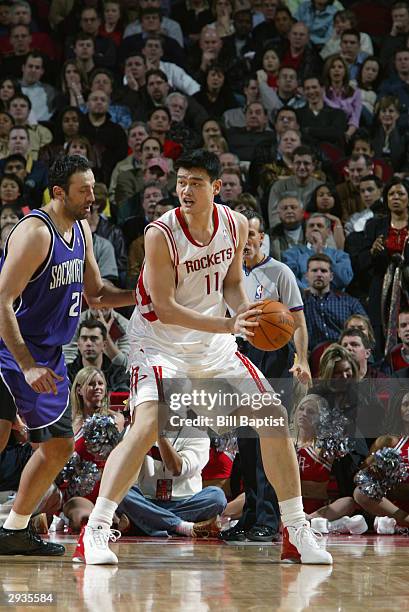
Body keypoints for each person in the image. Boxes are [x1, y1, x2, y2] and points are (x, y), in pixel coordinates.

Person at [74, 149, 332, 565]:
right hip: (159, 342)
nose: (185, 190)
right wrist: (229, 326)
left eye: (195, 182)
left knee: (272, 416)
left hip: (213, 345)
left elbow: (231, 284)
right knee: (145, 428)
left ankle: (295, 530)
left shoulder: (235, 223)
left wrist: (245, 311)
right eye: (180, 181)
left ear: (216, 187)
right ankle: (96, 531)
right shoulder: (161, 234)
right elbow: (166, 305)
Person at [0, 155, 135, 556]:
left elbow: (96, 294)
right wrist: (26, 366)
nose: (94, 196)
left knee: (58, 448)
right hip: (11, 349)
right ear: (59, 192)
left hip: (49, 352)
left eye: (94, 187)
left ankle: (14, 530)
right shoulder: (36, 234)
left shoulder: (81, 230)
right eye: (84, 190)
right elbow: (3, 301)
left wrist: (143, 295)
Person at [221, 208, 310, 542]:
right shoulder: (231, 276)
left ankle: (270, 521)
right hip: (242, 352)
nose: (246, 242)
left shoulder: (280, 272)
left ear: (261, 238)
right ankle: (251, 515)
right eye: (240, 236)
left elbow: (298, 323)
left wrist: (302, 358)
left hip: (276, 356)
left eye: (252, 235)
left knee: (267, 439)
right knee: (245, 440)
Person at [61, 367, 125, 533]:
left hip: (107, 493)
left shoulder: (115, 419)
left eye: (100, 383)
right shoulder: (68, 422)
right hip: (79, 494)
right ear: (79, 390)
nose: (97, 387)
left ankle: (114, 521)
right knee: (81, 518)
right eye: (91, 384)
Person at [302, 254, 366, 351]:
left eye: (323, 271)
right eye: (314, 270)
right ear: (306, 275)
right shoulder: (299, 305)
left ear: (331, 276)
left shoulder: (349, 303)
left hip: (345, 355)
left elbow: (365, 331)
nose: (319, 274)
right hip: (311, 358)